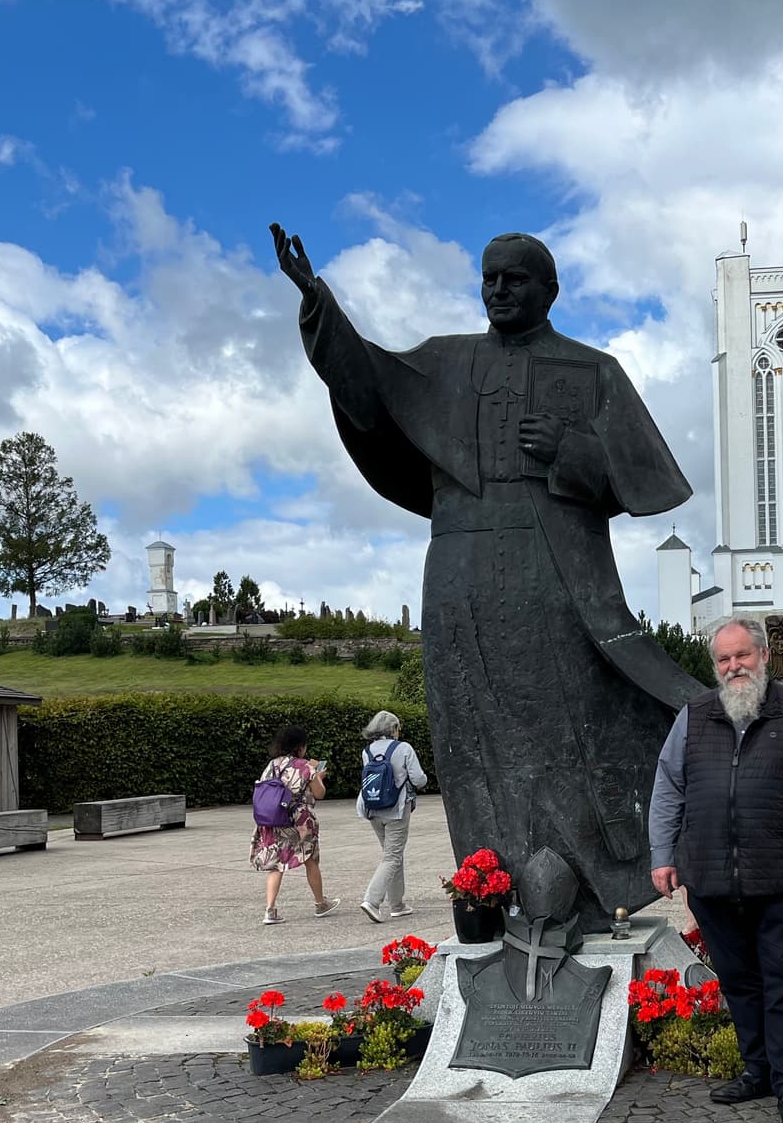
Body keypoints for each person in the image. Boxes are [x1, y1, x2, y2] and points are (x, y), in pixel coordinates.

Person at [273, 223, 700, 933]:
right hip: (461, 568)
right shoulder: (446, 362)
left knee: (578, 715)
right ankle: (489, 887)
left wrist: (574, 452)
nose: (499, 290)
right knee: (471, 730)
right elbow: (368, 386)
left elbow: (646, 480)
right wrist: (317, 302)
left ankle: (599, 876)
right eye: (489, 278)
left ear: (550, 291)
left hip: (555, 566)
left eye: (516, 279)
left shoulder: (593, 371)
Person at [648, 617, 783, 1123]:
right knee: (738, 981)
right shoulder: (694, 716)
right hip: (712, 880)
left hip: (779, 876)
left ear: (762, 657)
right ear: (715, 666)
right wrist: (662, 855)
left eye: (743, 656)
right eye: (724, 659)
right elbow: (668, 788)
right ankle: (756, 1069)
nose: (734, 667)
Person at [251, 724, 336, 926]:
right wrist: (318, 776)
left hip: (273, 818)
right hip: (300, 819)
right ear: (300, 747)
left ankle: (270, 910)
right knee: (310, 859)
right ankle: (320, 903)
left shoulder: (272, 765)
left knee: (276, 864)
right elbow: (319, 793)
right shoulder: (306, 766)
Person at [357, 709, 429, 923]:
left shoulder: (367, 751)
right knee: (392, 856)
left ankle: (397, 904)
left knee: (391, 854)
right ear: (393, 728)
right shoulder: (403, 748)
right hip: (396, 809)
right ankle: (372, 900)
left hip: (371, 808)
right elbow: (419, 779)